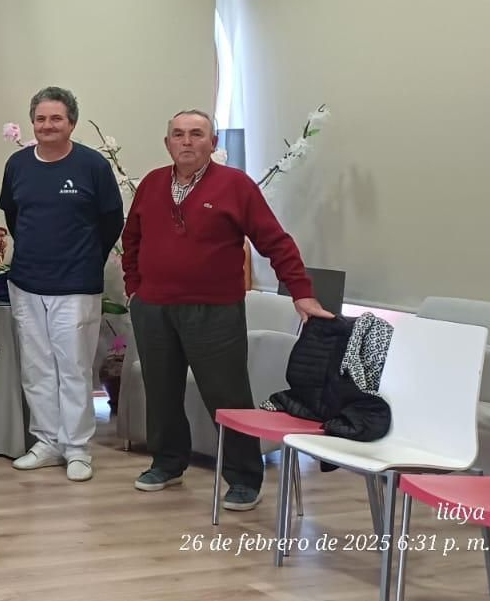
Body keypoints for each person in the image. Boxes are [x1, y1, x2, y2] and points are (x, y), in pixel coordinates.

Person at [124, 109, 333, 510]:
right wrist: (135, 288)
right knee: (162, 392)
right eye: (179, 134)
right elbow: (131, 238)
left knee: (227, 396)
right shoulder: (151, 184)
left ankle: (243, 478)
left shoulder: (235, 186)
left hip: (214, 312)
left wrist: (301, 292)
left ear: (213, 143)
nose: (187, 141)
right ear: (167, 143)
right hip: (154, 309)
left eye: (196, 134)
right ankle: (168, 463)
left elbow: (275, 241)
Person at [0, 86, 124, 482]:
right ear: (32, 123)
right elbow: (15, 218)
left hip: (76, 285)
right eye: (40, 119)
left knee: (72, 368)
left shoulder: (92, 167)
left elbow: (111, 222)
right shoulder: (18, 165)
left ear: (72, 122)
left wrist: (84, 259)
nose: (47, 125)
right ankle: (47, 442)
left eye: (56, 119)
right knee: (36, 368)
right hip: (27, 283)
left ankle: (77, 448)